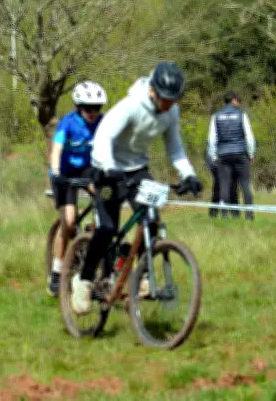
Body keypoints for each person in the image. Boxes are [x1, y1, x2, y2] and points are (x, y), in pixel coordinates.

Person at [71, 62, 203, 315]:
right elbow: (103, 137)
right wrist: (108, 167)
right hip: (106, 170)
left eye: (174, 100)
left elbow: (174, 148)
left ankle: (134, 274)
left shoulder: (171, 112)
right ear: (153, 90)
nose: (169, 105)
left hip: (137, 170)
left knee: (152, 222)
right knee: (108, 227)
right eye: (165, 99)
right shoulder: (131, 106)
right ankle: (84, 279)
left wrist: (189, 174)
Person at [47, 80, 107, 297]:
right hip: (64, 173)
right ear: (78, 107)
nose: (93, 112)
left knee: (105, 200)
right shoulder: (68, 123)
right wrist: (56, 171)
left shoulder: (102, 122)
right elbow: (57, 149)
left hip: (87, 170)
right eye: (88, 108)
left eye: (97, 107)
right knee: (69, 222)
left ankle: (93, 238)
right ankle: (56, 272)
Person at [208, 91, 256, 220]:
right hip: (240, 153)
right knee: (245, 184)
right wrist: (251, 153)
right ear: (234, 100)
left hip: (223, 155)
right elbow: (249, 137)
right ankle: (249, 215)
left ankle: (224, 215)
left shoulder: (216, 116)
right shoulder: (242, 115)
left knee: (224, 185)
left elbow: (212, 139)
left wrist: (214, 157)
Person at [206, 142, 239, 218]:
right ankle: (214, 214)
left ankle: (235, 215)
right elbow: (210, 150)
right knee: (217, 191)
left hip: (232, 166)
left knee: (233, 190)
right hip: (217, 166)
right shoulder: (215, 134)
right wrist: (214, 167)